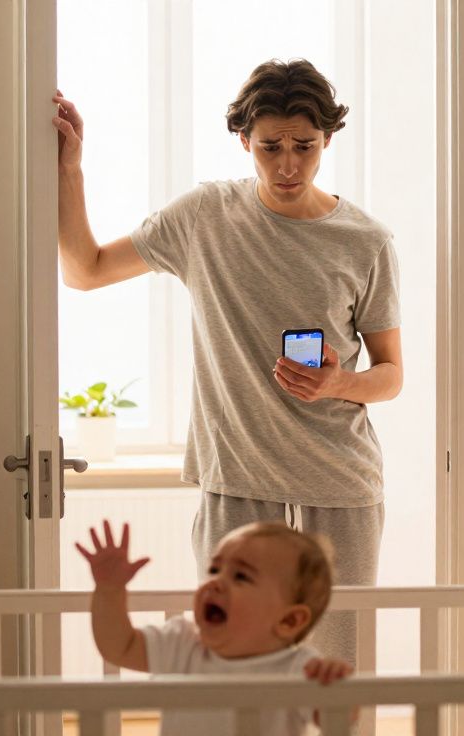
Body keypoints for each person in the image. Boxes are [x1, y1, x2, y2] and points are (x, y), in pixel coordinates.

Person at [54, 58, 402, 663]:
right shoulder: (204, 217)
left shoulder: (365, 240)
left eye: (305, 145)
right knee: (226, 662)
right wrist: (71, 170)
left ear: (328, 139)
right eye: (271, 147)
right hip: (236, 486)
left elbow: (392, 376)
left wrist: (338, 383)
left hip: (340, 486)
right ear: (244, 140)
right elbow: (84, 270)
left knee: (338, 677)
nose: (288, 164)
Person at [75, 520, 354, 735]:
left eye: (241, 576)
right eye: (214, 569)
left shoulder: (299, 668)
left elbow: (337, 718)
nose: (215, 582)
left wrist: (337, 688)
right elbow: (119, 647)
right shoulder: (182, 643)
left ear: (289, 621)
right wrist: (109, 591)